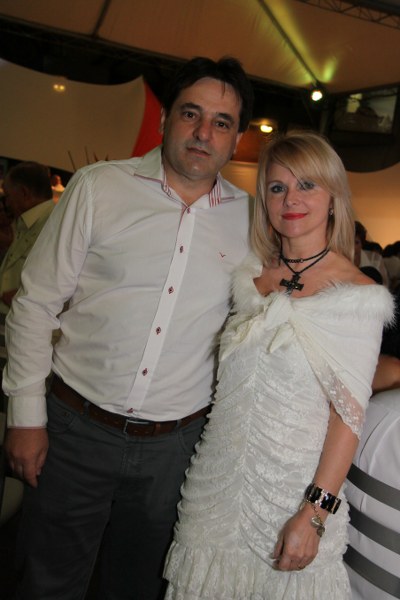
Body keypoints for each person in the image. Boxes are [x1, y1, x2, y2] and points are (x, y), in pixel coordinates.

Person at [2, 56, 254, 600]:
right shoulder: (99, 188)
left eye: (222, 122)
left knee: (140, 589)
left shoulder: (251, 220)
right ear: (165, 118)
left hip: (175, 451)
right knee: (46, 583)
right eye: (191, 113)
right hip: (74, 431)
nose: (203, 132)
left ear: (237, 140)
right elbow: (36, 303)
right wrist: (25, 416)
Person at [163, 131, 394, 599]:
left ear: (333, 197)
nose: (291, 199)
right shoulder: (249, 276)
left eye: (307, 185)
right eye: (277, 187)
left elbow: (347, 418)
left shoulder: (357, 297)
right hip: (212, 489)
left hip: (291, 497)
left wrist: (314, 515)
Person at [0, 162, 54, 374]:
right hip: (11, 321)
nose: (6, 203)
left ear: (23, 193)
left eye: (8, 196)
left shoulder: (54, 224)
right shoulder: (26, 221)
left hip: (24, 330)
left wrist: (24, 296)